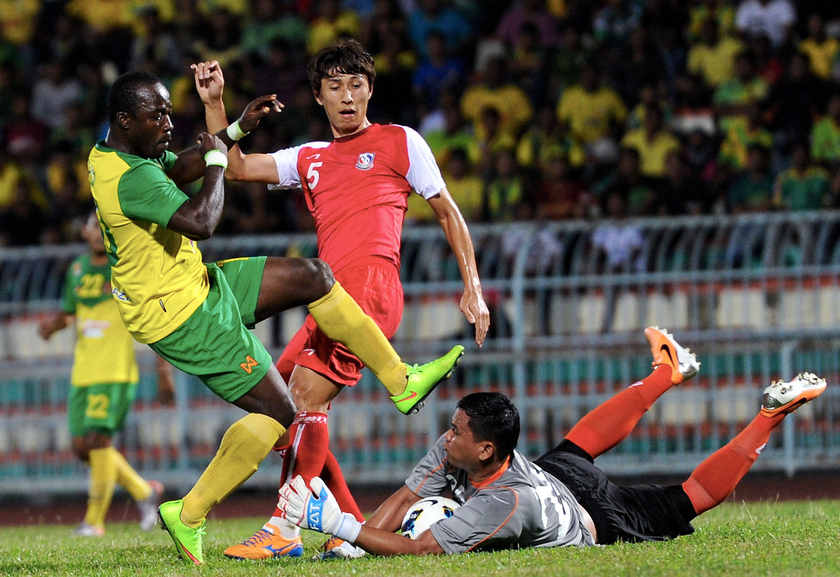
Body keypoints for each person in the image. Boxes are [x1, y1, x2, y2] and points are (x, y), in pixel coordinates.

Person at [88, 70, 464, 565]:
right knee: (282, 414)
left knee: (314, 276)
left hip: (196, 284)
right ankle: (190, 513)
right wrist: (218, 162)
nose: (168, 124)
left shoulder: (118, 153)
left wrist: (235, 129)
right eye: (157, 116)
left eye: (167, 112)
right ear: (124, 119)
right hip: (181, 314)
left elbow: (180, 166)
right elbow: (201, 221)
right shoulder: (130, 178)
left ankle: (400, 380)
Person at [191, 38, 490, 561]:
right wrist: (216, 103)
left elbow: (447, 210)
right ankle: (347, 528)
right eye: (335, 87)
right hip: (326, 298)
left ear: (370, 90)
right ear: (319, 96)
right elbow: (236, 169)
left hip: (369, 293)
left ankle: (284, 527)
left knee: (304, 399)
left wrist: (473, 286)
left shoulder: (401, 141)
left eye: (356, 85)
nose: (347, 96)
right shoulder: (310, 157)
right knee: (280, 404)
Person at [276, 327, 828, 555]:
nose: (445, 438)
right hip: (553, 475)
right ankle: (667, 372)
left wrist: (337, 524)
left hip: (598, 518)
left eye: (456, 431)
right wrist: (353, 547)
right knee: (575, 447)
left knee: (692, 497)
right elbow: (404, 498)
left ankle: (769, 415)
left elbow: (421, 550)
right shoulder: (465, 451)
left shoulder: (504, 502)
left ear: (485, 449)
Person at [38, 211, 174, 537]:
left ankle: (94, 521)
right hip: (83, 371)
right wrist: (52, 326)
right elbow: (70, 312)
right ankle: (144, 490)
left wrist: (163, 371)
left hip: (115, 371)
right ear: (84, 233)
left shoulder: (124, 269)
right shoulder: (77, 269)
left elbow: (152, 316)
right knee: (81, 447)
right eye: (94, 227)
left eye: (105, 228)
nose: (99, 233)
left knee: (99, 440)